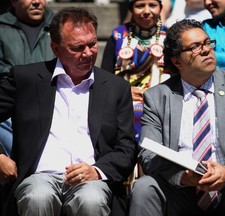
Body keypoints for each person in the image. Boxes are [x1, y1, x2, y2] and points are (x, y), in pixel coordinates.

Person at [129, 19, 225, 216]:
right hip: (181, 191)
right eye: (195, 47)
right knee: (144, 187)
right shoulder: (158, 97)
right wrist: (184, 177)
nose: (206, 50)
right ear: (177, 61)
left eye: (208, 43)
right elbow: (149, 155)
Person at [0, 7, 137, 216]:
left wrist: (97, 171)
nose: (88, 53)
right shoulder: (26, 78)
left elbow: (127, 148)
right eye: (78, 47)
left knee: (91, 200)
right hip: (39, 176)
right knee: (38, 196)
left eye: (92, 44)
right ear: (56, 48)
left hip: (91, 180)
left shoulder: (116, 88)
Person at [101, 0, 170, 143]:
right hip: (123, 104)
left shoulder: (170, 37)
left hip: (161, 105)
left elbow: (178, 77)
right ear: (131, 9)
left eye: (152, 5)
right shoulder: (118, 36)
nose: (146, 11)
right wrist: (124, 92)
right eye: (140, 6)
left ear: (161, 8)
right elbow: (104, 78)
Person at [0, 0, 55, 156]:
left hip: (50, 104)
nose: (37, 2)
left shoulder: (60, 26)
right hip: (9, 107)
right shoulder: (2, 27)